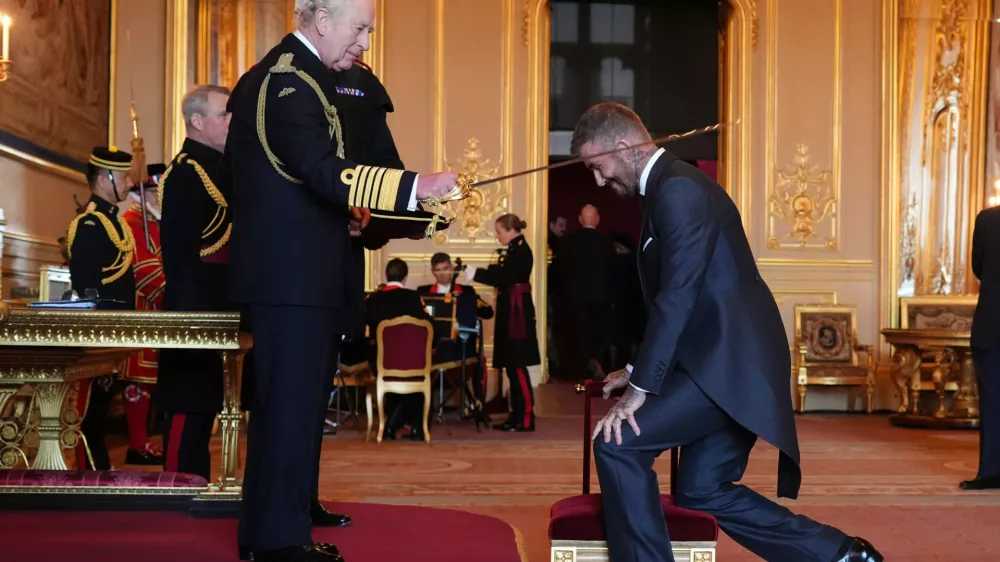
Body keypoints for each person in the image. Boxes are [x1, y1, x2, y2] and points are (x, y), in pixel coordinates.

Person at [572, 102, 881, 562]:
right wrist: (638, 367)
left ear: (624, 146)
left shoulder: (677, 190)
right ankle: (840, 555)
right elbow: (688, 298)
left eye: (598, 167)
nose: (598, 181)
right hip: (724, 360)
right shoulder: (667, 189)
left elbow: (678, 295)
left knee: (618, 444)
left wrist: (640, 388)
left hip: (729, 366)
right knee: (702, 489)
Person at [226, 0, 460, 559]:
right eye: (360, 28)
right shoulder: (286, 83)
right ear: (320, 19)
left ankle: (279, 525)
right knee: (288, 407)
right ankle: (278, 542)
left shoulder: (309, 79)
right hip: (290, 279)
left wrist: (426, 210)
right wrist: (415, 187)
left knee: (300, 406)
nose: (365, 43)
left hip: (308, 275)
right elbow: (324, 171)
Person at [157, 84, 234, 482]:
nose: (231, 121)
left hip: (223, 309)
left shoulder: (222, 169)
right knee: (190, 410)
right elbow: (180, 256)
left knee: (208, 411)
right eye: (224, 114)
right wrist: (189, 324)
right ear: (198, 122)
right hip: (196, 313)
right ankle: (175, 493)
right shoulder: (186, 173)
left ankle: (198, 490)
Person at [66, 146, 136, 470]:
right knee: (89, 416)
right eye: (123, 176)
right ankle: (87, 476)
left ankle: (99, 472)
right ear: (104, 179)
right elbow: (86, 288)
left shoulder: (114, 224)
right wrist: (93, 337)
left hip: (115, 337)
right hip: (97, 339)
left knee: (102, 413)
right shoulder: (90, 225)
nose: (129, 182)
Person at [464, 214, 541, 432]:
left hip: (517, 314)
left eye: (499, 231)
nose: (497, 236)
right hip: (512, 311)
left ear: (510, 230)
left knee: (516, 365)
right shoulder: (515, 249)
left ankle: (525, 417)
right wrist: (476, 271)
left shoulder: (521, 251)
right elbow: (502, 274)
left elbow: (504, 277)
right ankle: (516, 415)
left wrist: (476, 273)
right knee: (512, 365)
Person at [118, 164, 168, 466]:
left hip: (158, 313)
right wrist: (170, 294)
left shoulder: (156, 222)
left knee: (149, 380)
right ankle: (137, 444)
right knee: (138, 378)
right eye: (155, 193)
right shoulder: (131, 221)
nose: (160, 199)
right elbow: (143, 268)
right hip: (140, 309)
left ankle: (143, 441)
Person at [418, 252, 495, 425]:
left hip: (461, 348)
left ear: (452, 268)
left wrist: (473, 303)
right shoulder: (423, 293)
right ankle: (421, 411)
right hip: (434, 348)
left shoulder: (467, 291)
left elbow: (488, 312)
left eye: (446, 269)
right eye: (438, 270)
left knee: (479, 361)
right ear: (433, 272)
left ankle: (479, 406)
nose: (443, 273)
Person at [365, 259, 434, 440]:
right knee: (415, 381)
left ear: (386, 276)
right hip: (413, 364)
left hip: (382, 363)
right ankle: (416, 428)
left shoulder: (373, 299)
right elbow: (430, 326)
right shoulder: (413, 297)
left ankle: (389, 427)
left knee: (395, 379)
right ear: (405, 277)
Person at [965, 205, 1000, 490]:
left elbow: (978, 267)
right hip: (990, 323)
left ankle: (990, 472)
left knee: (991, 400)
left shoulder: (988, 219)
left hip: (991, 319)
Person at [561, 204, 617, 380]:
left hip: (576, 298)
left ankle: (582, 372)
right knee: (599, 333)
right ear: (597, 219)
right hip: (601, 298)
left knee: (580, 334)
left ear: (580, 220)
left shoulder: (569, 243)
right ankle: (597, 362)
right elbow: (612, 272)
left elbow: (563, 272)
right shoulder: (606, 243)